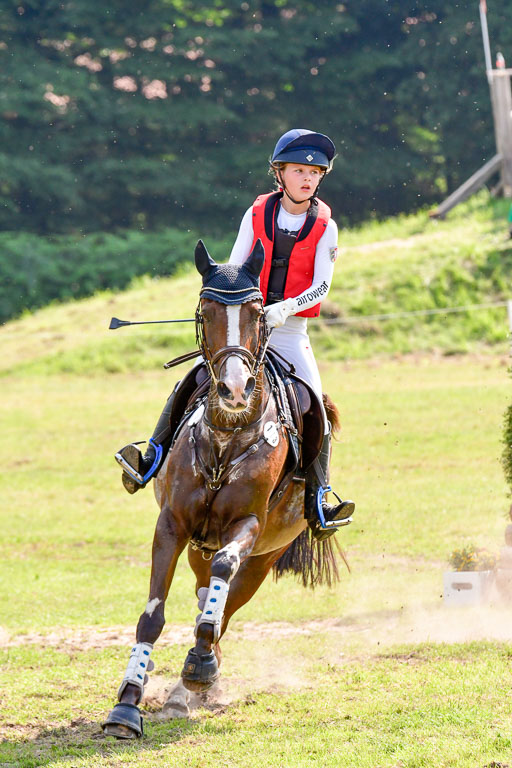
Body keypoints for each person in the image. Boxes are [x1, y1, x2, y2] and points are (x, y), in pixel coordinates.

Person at [115, 128, 355, 541]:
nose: (307, 178)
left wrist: (284, 308)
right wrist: (236, 308)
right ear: (279, 173)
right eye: (299, 170)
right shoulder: (257, 214)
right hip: (246, 323)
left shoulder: (325, 226)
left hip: (290, 328)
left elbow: (321, 286)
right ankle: (152, 455)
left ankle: (320, 496)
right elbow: (235, 267)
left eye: (314, 172)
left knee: (314, 401)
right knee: (191, 379)